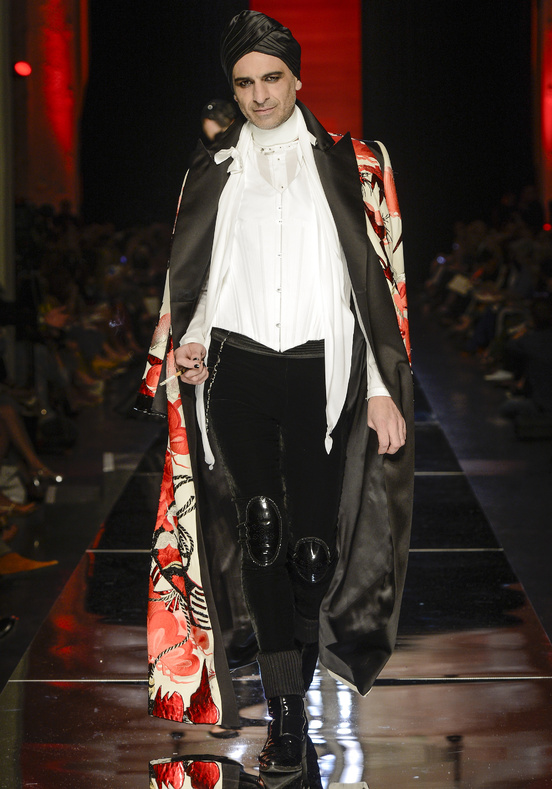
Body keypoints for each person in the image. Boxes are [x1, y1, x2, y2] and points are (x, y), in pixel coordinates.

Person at [138, 10, 414, 776]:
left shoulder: (359, 163)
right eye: (244, 82)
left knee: (314, 550)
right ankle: (287, 717)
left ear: (296, 78)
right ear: (232, 89)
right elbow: (197, 270)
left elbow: (380, 284)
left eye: (271, 78)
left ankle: (298, 674)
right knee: (261, 525)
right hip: (239, 366)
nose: (259, 95)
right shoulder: (212, 168)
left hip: (325, 369)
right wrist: (191, 338)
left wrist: (383, 386)